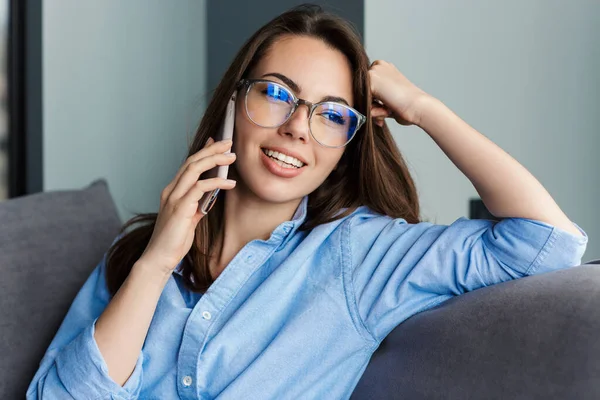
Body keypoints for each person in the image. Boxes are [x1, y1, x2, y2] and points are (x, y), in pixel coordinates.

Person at [27, 4, 588, 400]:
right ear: (233, 102)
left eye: (331, 114)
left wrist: (421, 108)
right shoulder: (133, 259)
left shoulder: (359, 257)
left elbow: (547, 243)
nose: (299, 127)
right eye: (276, 93)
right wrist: (155, 264)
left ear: (345, 147)